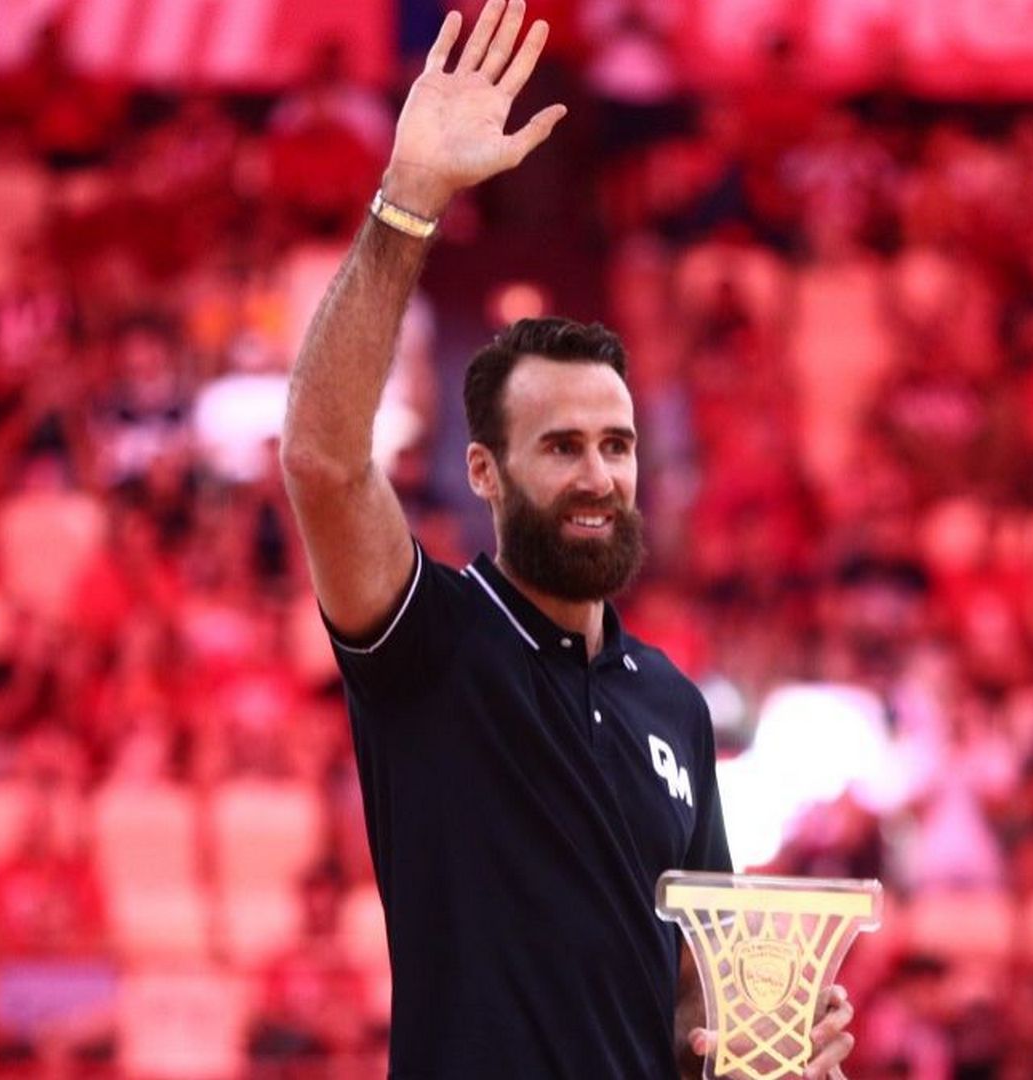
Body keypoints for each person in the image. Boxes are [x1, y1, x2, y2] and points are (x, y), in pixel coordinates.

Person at [278, 3, 857, 1076]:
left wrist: (766, 1052)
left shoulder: (674, 706)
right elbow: (321, 459)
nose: (597, 476)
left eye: (616, 445)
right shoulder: (429, 640)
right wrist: (408, 203)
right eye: (560, 447)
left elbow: (690, 1000)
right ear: (484, 472)